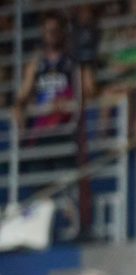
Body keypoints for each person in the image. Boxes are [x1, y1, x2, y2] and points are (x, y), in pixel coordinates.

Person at [13, 11, 84, 169]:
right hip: (41, 130)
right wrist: (19, 106)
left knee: (65, 174)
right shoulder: (36, 63)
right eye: (47, 30)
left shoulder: (71, 62)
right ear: (42, 33)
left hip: (64, 128)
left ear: (61, 32)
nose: (51, 34)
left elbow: (81, 96)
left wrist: (67, 103)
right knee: (39, 174)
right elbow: (23, 95)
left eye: (55, 30)